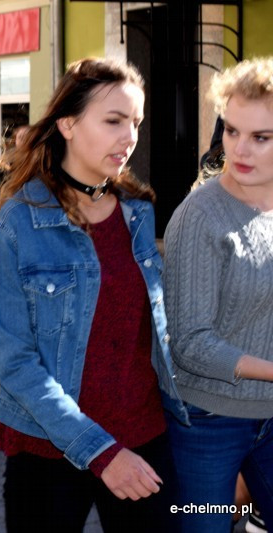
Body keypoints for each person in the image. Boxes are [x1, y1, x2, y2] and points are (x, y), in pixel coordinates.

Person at [0, 57, 185, 532]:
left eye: (136, 122)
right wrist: (101, 452)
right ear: (68, 124)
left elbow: (160, 335)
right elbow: (16, 364)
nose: (129, 136)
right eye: (113, 121)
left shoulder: (138, 212)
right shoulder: (18, 223)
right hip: (46, 451)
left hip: (142, 441)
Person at [163, 57, 273, 533]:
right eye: (231, 131)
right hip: (208, 421)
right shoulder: (200, 216)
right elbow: (189, 343)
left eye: (261, 137)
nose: (239, 149)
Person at [0, 124, 29, 207]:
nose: (25, 140)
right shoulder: (5, 166)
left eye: (28, 137)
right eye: (21, 137)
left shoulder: (42, 164)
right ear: (15, 141)